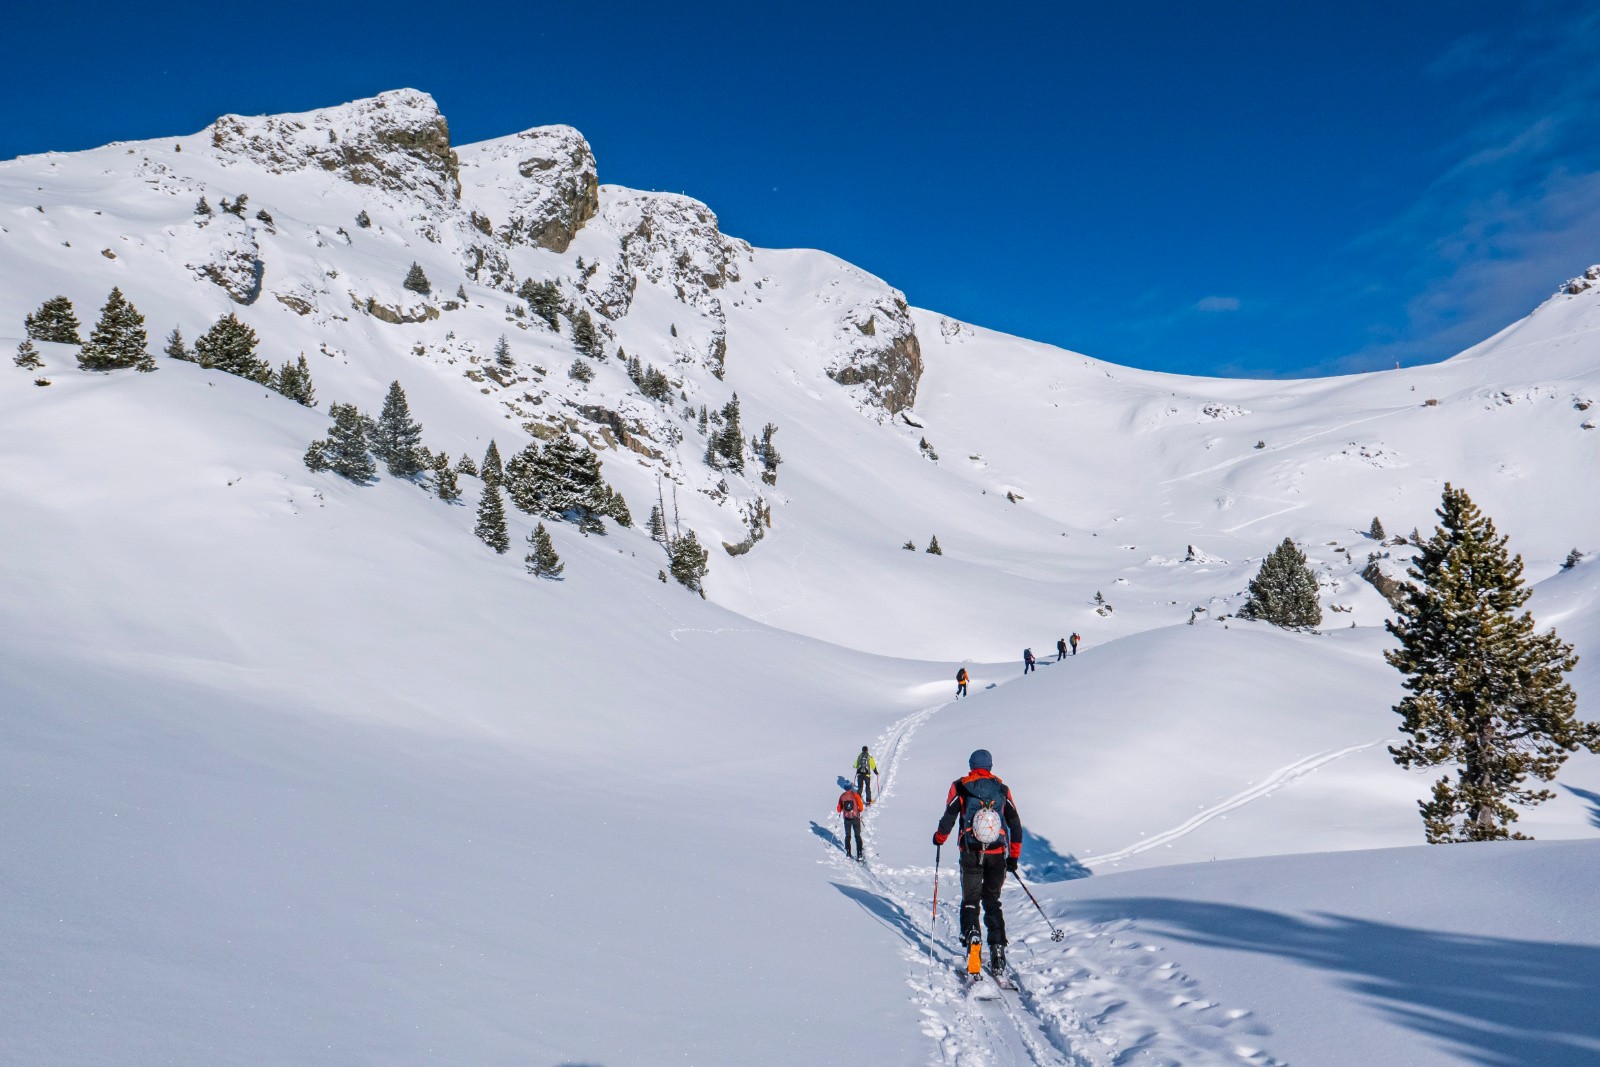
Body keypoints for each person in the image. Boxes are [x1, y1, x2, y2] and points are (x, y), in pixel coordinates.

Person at [932, 749, 1023, 976]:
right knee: (992, 900)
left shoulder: (960, 786)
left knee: (971, 900)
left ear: (971, 765)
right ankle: (998, 948)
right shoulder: (1002, 789)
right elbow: (1015, 825)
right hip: (997, 852)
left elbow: (950, 817)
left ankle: (973, 936)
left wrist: (939, 838)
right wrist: (1013, 857)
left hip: (970, 850)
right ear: (990, 766)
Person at [837, 786, 865, 860]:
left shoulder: (842, 796)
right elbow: (861, 808)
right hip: (855, 818)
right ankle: (859, 854)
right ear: (851, 788)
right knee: (857, 836)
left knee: (848, 836)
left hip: (847, 819)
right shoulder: (855, 795)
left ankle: (848, 853)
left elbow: (839, 809)